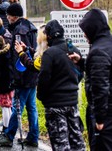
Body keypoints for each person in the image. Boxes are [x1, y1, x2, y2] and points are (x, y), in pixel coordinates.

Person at [77, 9, 112, 151]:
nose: (84, 34)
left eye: (86, 30)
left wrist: (100, 119)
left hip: (108, 113)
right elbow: (109, 73)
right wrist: (82, 62)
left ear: (93, 29)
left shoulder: (98, 51)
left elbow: (100, 87)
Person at [0, 3, 39, 148]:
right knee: (31, 107)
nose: (6, 17)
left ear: (13, 16)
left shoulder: (20, 31)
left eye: (8, 15)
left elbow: (20, 56)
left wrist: (16, 77)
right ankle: (33, 136)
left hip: (23, 75)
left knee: (17, 107)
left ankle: (8, 136)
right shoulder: (30, 26)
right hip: (32, 75)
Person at [34, 20, 86, 151]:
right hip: (72, 102)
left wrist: (41, 96)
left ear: (49, 36)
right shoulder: (73, 50)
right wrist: (72, 85)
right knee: (77, 141)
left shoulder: (49, 54)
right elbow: (80, 73)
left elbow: (44, 78)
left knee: (61, 143)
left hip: (55, 104)